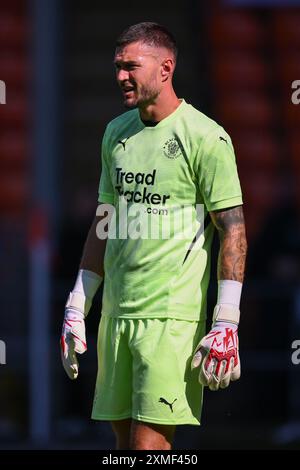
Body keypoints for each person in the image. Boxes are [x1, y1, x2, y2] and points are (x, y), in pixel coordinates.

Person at [60, 22, 247, 450]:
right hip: (116, 315)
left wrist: (226, 320)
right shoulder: (116, 132)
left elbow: (233, 229)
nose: (121, 76)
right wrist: (77, 303)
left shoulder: (206, 136)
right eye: (117, 67)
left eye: (131, 66)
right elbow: (104, 219)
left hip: (170, 319)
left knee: (149, 450)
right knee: (126, 450)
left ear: (166, 68)